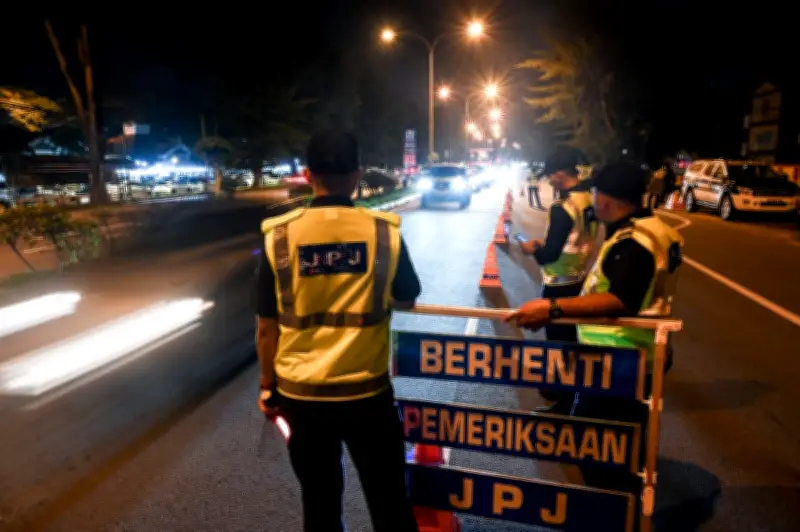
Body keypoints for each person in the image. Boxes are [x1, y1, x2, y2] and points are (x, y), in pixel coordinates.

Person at [255, 130, 421, 532]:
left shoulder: (279, 236)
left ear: (308, 175)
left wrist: (267, 388)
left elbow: (266, 328)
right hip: (367, 394)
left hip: (301, 396)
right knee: (389, 503)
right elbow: (407, 298)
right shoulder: (383, 232)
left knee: (320, 504)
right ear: (357, 176)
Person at [506, 161, 683, 497]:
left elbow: (621, 301)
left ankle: (615, 508)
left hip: (619, 359)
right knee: (622, 445)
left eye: (597, 193)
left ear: (606, 199)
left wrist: (552, 309)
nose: (593, 200)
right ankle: (624, 505)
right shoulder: (657, 230)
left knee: (599, 450)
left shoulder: (636, 241)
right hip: (638, 355)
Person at [518, 146, 599, 414]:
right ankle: (566, 393)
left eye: (551, 175)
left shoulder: (563, 207)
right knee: (572, 344)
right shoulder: (588, 200)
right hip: (580, 280)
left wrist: (532, 249)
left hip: (558, 285)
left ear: (561, 173)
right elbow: (573, 239)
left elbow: (549, 255)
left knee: (561, 346)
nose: (549, 180)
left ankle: (563, 404)